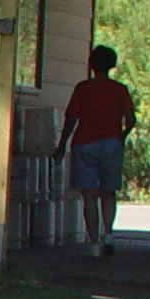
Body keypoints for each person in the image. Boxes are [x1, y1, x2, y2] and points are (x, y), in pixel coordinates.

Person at [60, 43, 136, 259]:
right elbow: (130, 120)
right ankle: (109, 235)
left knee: (89, 196)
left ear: (91, 65)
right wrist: (121, 136)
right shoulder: (119, 89)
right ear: (112, 65)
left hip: (84, 143)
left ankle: (93, 243)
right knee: (109, 192)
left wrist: (61, 144)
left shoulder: (82, 88)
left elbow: (71, 118)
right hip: (111, 143)